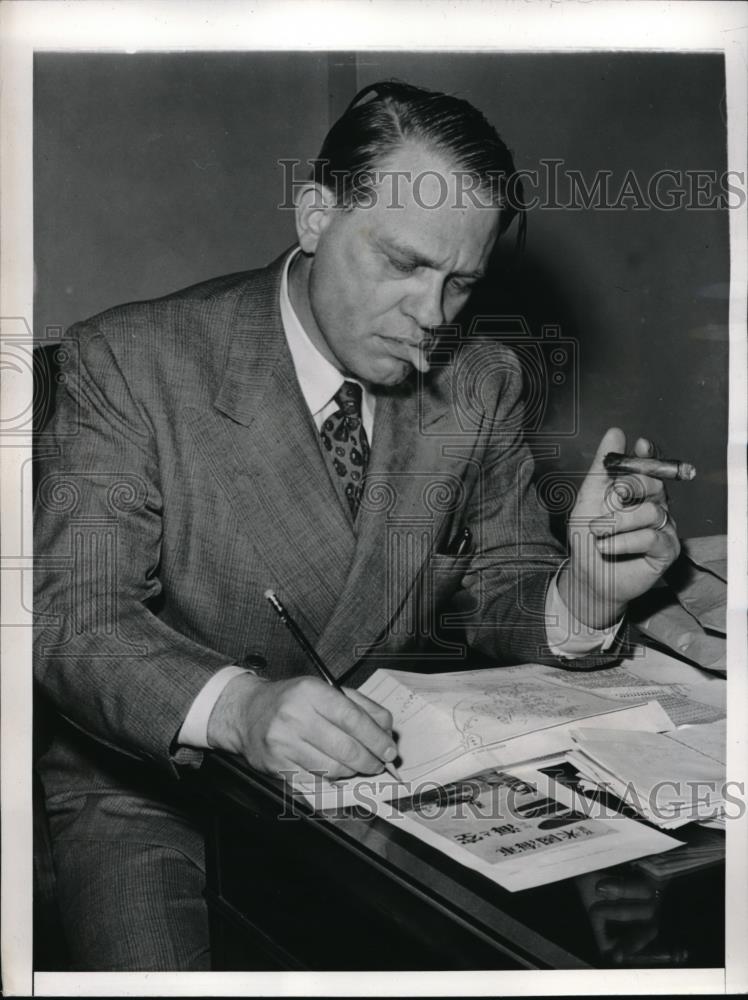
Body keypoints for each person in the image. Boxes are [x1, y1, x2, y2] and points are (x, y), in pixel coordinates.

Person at [34, 80, 680, 970]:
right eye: (403, 264)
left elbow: (499, 584)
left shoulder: (478, 379)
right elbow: (77, 621)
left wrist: (583, 593)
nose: (432, 315)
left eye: (460, 282)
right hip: (160, 790)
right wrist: (240, 708)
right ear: (313, 218)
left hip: (396, 778)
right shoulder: (132, 361)